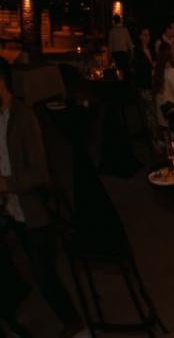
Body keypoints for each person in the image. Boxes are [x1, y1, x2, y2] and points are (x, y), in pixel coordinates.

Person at [0, 57, 86, 337]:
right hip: (12, 211)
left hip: (34, 211)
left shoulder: (23, 117)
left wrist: (6, 184)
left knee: (46, 276)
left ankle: (74, 323)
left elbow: (40, 173)